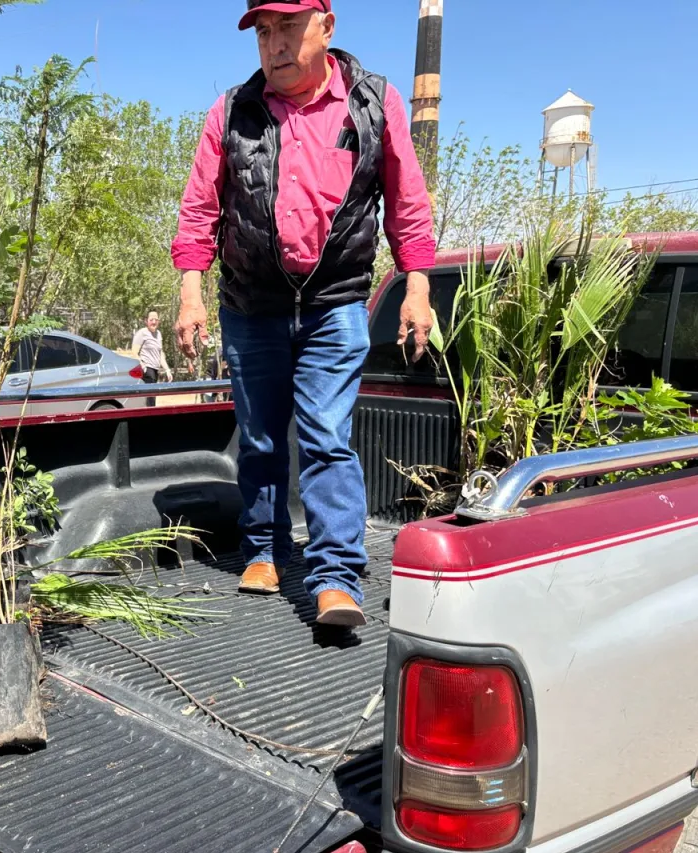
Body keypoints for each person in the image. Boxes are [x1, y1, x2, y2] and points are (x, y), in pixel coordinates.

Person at [172, 0, 435, 626]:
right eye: (264, 31)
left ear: (327, 26)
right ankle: (262, 549)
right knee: (260, 438)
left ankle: (336, 578)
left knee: (326, 439)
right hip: (249, 305)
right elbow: (200, 207)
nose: (275, 43)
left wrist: (418, 286)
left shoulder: (373, 103)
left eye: (288, 26)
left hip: (335, 304)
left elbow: (406, 201)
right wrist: (189, 292)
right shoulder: (232, 110)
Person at [131, 310, 173, 406]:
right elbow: (134, 352)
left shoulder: (158, 334)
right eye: (151, 320)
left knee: (152, 397)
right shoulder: (142, 333)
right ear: (146, 321)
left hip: (155, 370)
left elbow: (160, 354)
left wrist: (167, 370)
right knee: (150, 398)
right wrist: (143, 366)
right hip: (147, 370)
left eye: (156, 320)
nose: (154, 322)